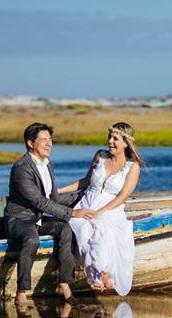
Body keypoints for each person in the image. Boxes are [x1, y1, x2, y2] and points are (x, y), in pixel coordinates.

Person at [5, 122, 98, 309]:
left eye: (50, 139)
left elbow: (52, 197)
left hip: (39, 218)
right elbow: (39, 201)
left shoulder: (48, 165)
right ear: (31, 143)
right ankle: (21, 291)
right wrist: (72, 213)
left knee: (65, 229)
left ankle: (64, 283)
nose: (49, 144)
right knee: (32, 240)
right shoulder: (22, 168)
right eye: (44, 139)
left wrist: (83, 197)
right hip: (20, 219)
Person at [58, 122, 143, 295]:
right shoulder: (100, 156)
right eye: (109, 138)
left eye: (115, 139)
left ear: (126, 143)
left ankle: (100, 275)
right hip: (87, 202)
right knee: (80, 226)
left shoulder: (132, 167)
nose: (110, 141)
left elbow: (122, 196)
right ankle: (100, 274)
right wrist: (59, 190)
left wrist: (101, 211)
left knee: (102, 228)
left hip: (111, 207)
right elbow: (86, 181)